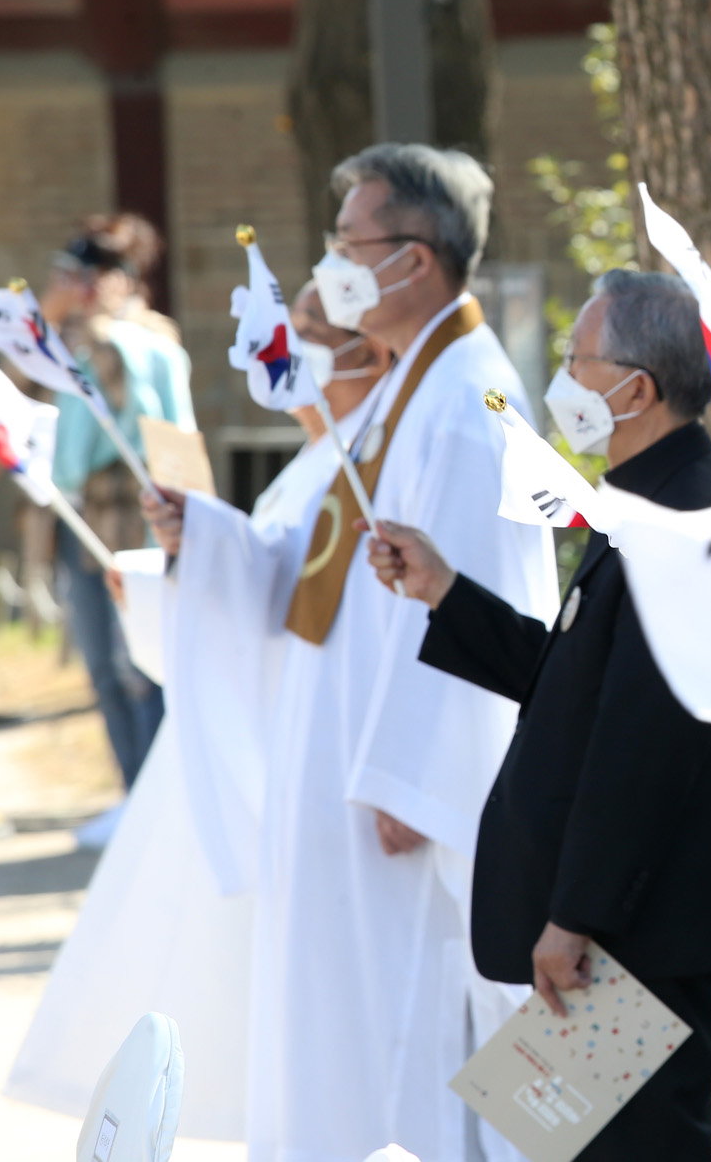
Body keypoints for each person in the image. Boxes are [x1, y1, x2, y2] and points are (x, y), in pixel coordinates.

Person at [141, 142, 556, 1162]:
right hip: (342, 762)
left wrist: (419, 779)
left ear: (414, 260)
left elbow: (477, 606)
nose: (328, 268)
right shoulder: (401, 392)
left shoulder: (463, 405)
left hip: (396, 792)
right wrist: (208, 537)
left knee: (406, 1023)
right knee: (342, 1016)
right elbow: (322, 572)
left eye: (346, 245)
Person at [363, 269, 711, 1160]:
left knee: (642, 1150)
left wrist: (575, 915)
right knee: (582, 1146)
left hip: (641, 927)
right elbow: (579, 680)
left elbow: (646, 748)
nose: (562, 378)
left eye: (577, 359)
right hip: (626, 922)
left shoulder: (691, 515)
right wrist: (444, 592)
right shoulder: (647, 496)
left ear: (636, 388)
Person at [6, 291, 393, 1139]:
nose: (282, 362)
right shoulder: (318, 461)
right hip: (273, 735)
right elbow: (267, 581)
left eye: (308, 342)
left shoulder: (363, 463)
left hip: (315, 754)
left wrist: (194, 555)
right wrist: (168, 568)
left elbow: (294, 604)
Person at [37, 213, 195, 847]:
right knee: (109, 664)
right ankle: (137, 796)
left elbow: (92, 443)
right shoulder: (96, 341)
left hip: (131, 514)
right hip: (107, 512)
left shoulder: (131, 343)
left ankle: (155, 799)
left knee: (135, 664)